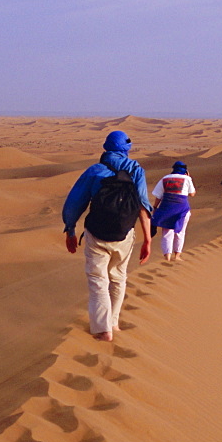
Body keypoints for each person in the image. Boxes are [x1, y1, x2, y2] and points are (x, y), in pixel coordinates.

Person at [62, 130, 151, 342]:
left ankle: (104, 330)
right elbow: (143, 206)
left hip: (97, 234)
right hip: (124, 235)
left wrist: (70, 229)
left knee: (98, 281)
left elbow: (74, 203)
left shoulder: (95, 171)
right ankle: (114, 323)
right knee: (118, 278)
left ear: (106, 147)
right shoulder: (136, 170)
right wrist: (147, 239)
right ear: (126, 148)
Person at [150, 161, 196, 261]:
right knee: (180, 232)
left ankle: (167, 257)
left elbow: (158, 195)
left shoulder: (165, 178)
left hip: (166, 208)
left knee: (166, 233)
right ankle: (177, 256)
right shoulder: (187, 178)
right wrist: (188, 177)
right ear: (185, 170)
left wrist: (155, 207)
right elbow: (192, 194)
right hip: (182, 209)